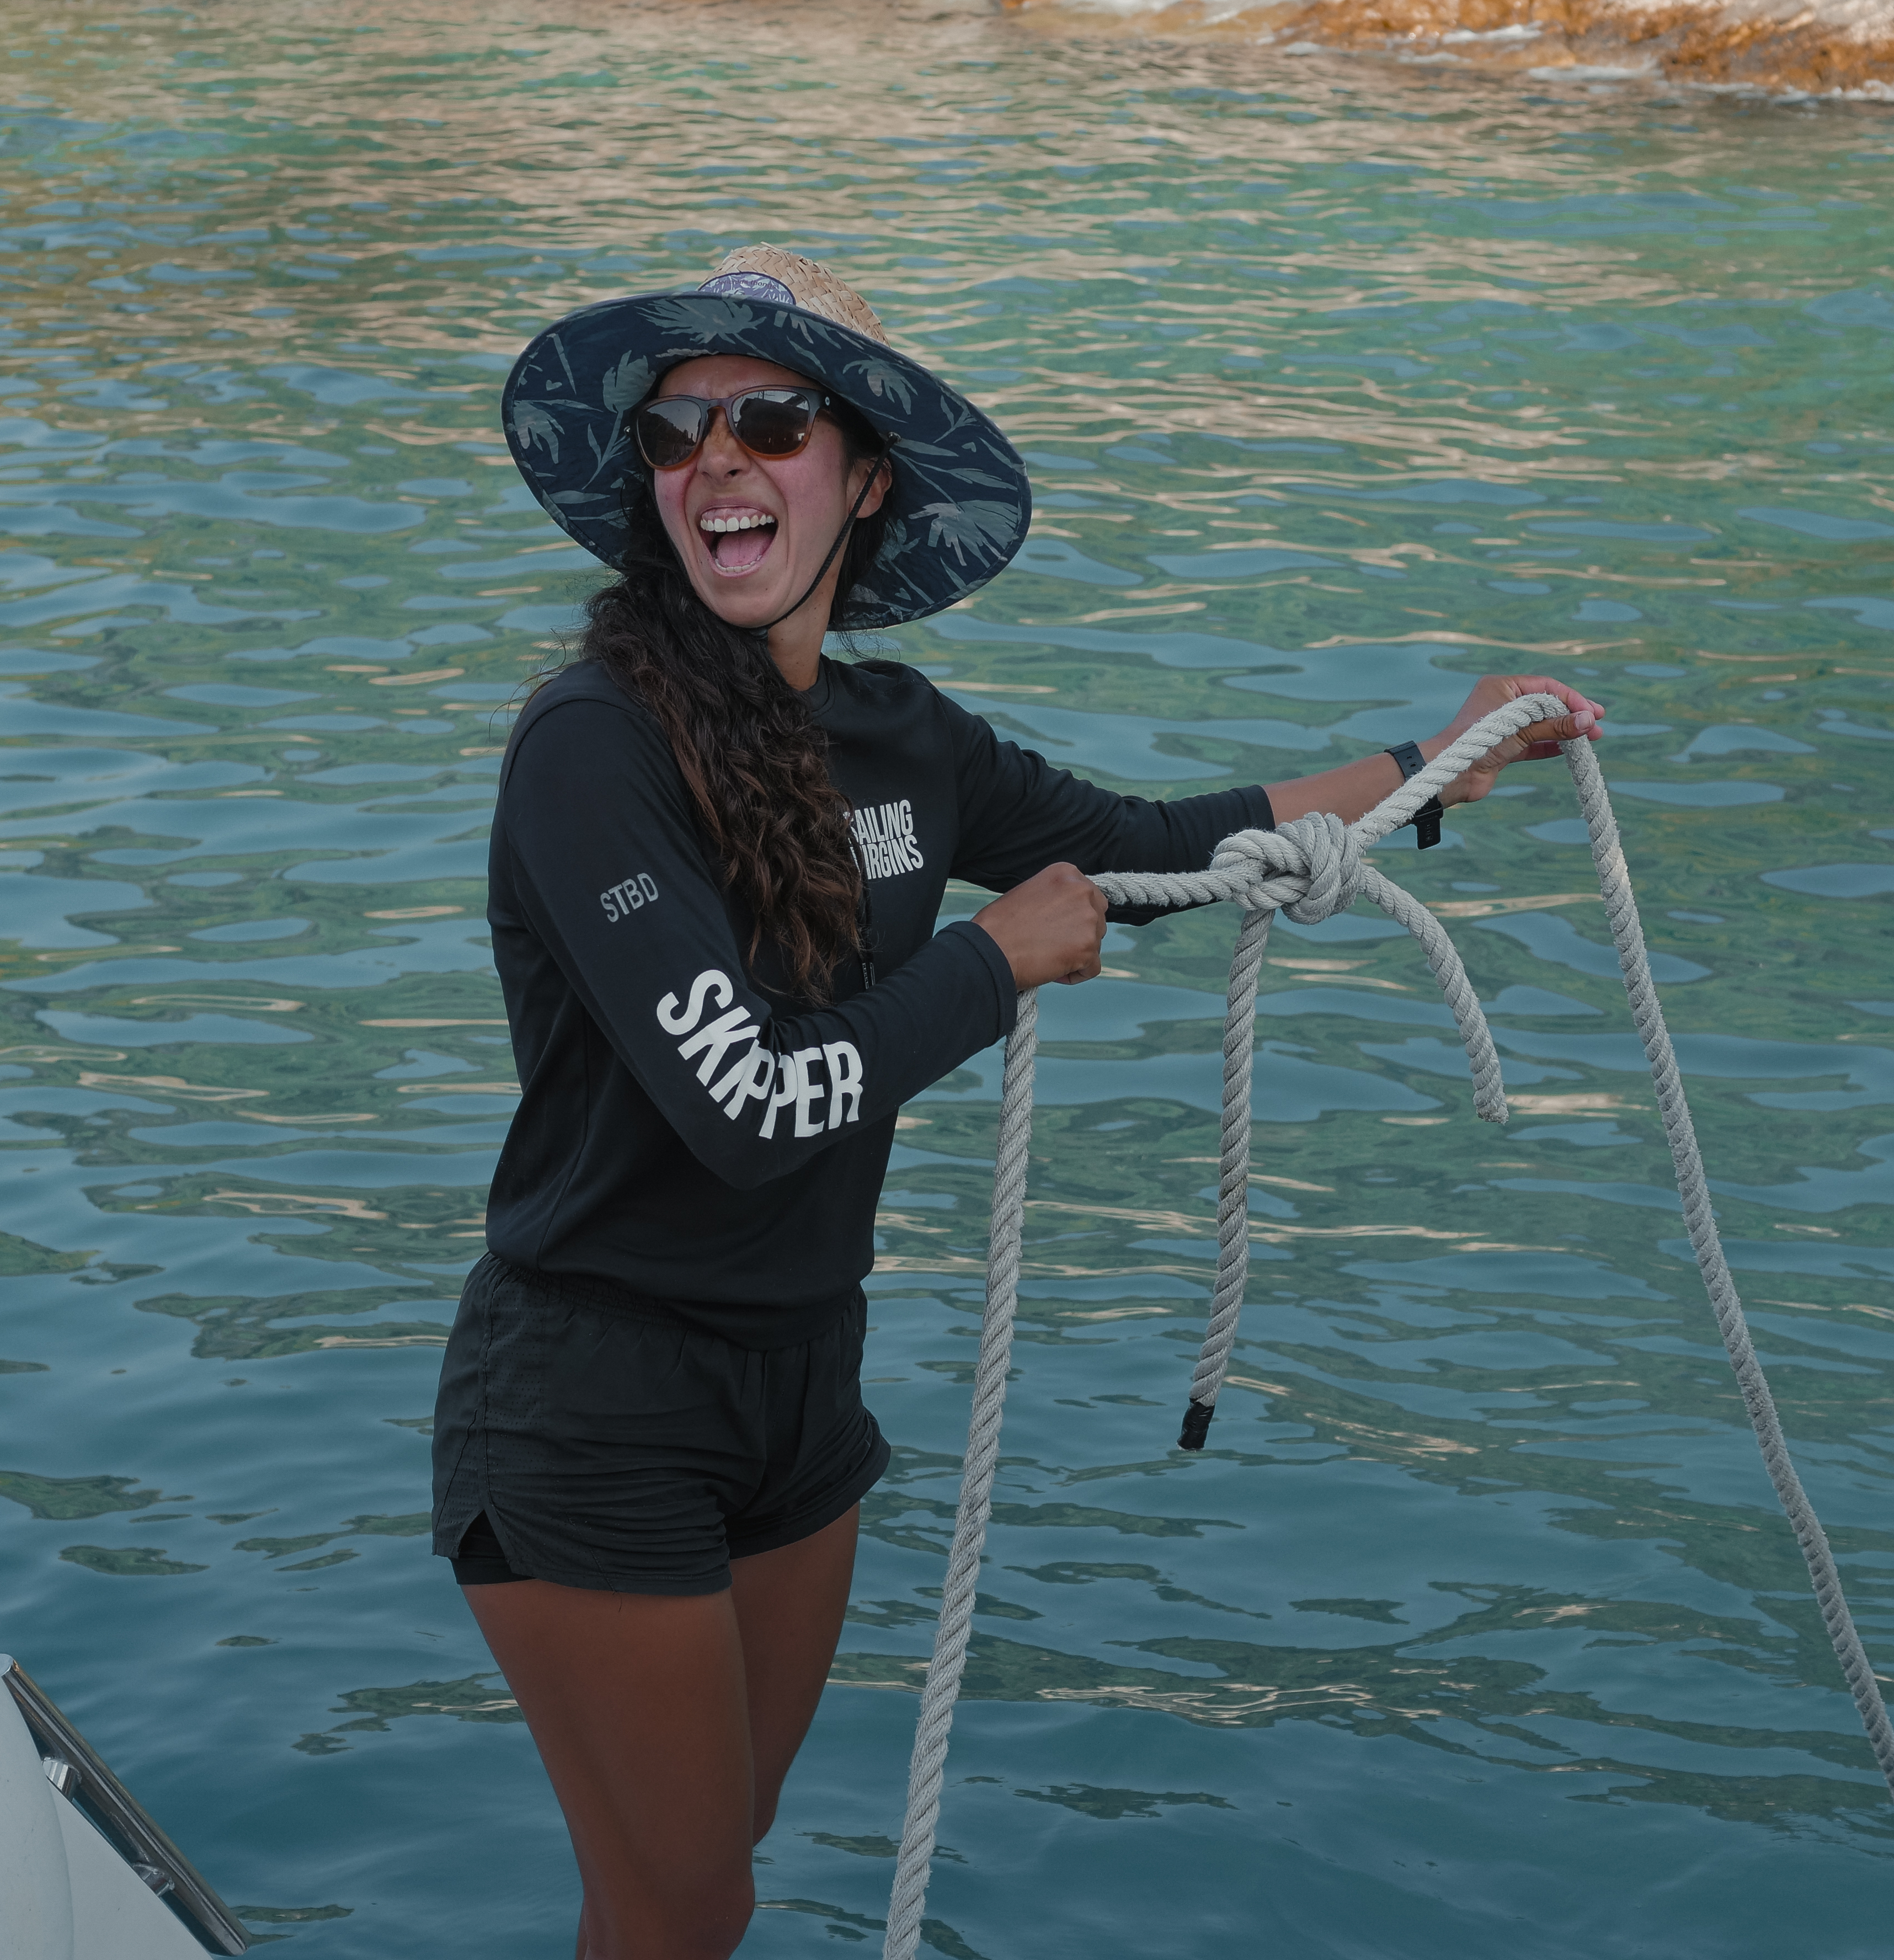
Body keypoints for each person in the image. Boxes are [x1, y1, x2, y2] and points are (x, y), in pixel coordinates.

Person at [435, 246, 1603, 1957]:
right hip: (590, 1397)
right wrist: (990, 968)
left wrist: (1438, 767)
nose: (720, 463)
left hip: (797, 1384)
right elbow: (749, 1101)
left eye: (770, 418)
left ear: (864, 476)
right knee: (691, 1898)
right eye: (679, 437)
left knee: (701, 1870)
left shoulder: (904, 740)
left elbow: (1150, 843)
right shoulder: (591, 750)